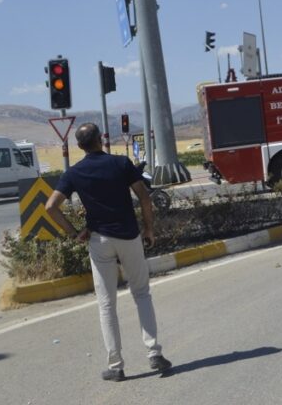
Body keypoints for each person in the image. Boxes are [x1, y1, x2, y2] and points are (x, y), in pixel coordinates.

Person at [45, 123, 171, 382]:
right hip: (129, 236)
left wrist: (74, 233)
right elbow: (145, 198)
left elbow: (50, 207)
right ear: (101, 140)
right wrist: (149, 229)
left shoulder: (74, 172)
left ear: (79, 146)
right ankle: (154, 353)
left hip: (99, 240)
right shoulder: (121, 164)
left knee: (106, 304)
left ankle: (116, 366)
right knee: (142, 294)